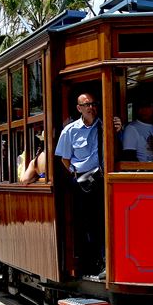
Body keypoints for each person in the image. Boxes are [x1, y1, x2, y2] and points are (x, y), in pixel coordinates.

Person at [55, 93, 122, 280]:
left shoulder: (106, 124)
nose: (91, 107)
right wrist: (78, 176)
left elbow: (119, 149)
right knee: (88, 224)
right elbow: (65, 159)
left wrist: (118, 130)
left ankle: (107, 262)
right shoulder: (70, 130)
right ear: (79, 108)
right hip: (84, 182)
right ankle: (92, 263)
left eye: (93, 104)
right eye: (86, 105)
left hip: (104, 178)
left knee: (106, 221)